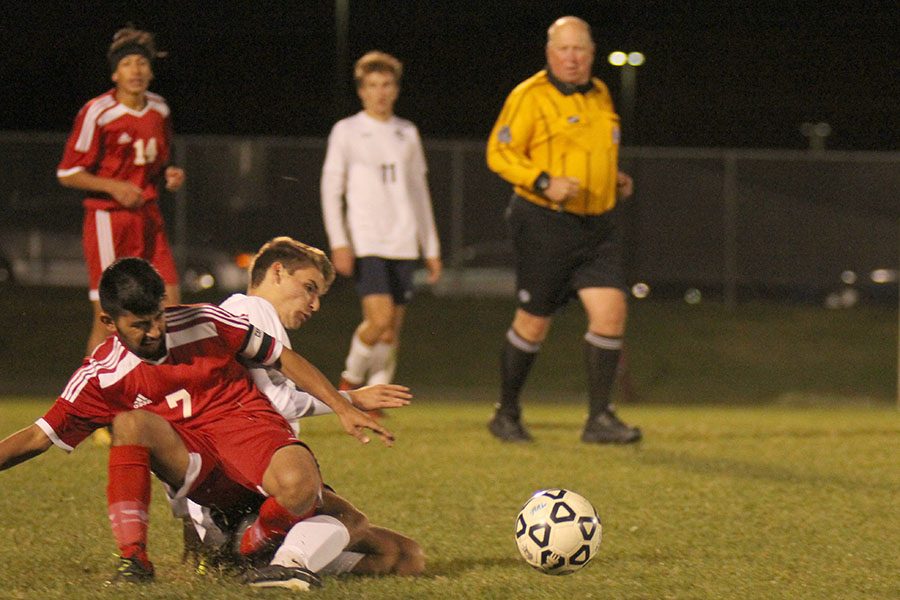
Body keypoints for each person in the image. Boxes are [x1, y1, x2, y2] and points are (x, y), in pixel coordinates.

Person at [0, 258, 393, 588]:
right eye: (140, 325)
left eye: (158, 317)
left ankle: (251, 546)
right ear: (108, 321)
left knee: (309, 490)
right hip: (196, 465)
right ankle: (134, 560)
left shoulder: (205, 321)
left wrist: (341, 405)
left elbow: (281, 358)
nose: (155, 331)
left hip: (248, 431)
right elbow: (38, 435)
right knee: (132, 424)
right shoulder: (102, 374)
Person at [177, 236, 425, 585]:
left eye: (319, 294)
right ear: (277, 272)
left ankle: (271, 560)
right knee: (351, 522)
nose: (314, 303)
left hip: (238, 490)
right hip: (245, 490)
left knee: (403, 556)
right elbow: (274, 406)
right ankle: (281, 562)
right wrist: (349, 401)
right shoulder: (254, 310)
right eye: (309, 288)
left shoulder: (234, 314)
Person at [485, 16, 641, 444]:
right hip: (544, 222)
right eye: (564, 49)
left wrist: (613, 178)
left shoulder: (601, 94)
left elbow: (593, 151)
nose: (572, 58)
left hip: (599, 225)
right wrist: (542, 181)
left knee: (611, 312)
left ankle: (599, 419)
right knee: (535, 323)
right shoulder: (530, 96)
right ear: (550, 53)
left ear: (591, 54)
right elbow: (499, 153)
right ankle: (507, 413)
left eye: (581, 50)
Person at [57, 26, 186, 356]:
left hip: (149, 217)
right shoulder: (98, 112)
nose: (136, 70)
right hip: (108, 220)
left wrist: (169, 175)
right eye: (127, 63)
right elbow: (68, 172)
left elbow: (156, 165)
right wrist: (113, 186)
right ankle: (84, 402)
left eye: (141, 62)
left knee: (170, 308)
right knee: (108, 318)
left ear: (151, 70)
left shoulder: (160, 110)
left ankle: (161, 391)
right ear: (115, 72)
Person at [321, 51, 442, 391]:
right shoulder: (347, 131)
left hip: (403, 240)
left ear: (396, 89)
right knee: (379, 319)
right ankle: (349, 381)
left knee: (392, 329)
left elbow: (419, 192)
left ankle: (378, 391)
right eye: (372, 85)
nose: (380, 92)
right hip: (367, 239)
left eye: (386, 84)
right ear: (361, 90)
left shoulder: (407, 132)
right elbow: (331, 189)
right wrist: (339, 241)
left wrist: (430, 246)